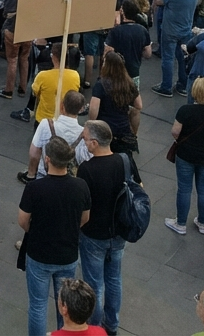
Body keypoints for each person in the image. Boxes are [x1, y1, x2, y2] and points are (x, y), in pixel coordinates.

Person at [18, 136, 92, 336]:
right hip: (67, 254)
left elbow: (23, 220)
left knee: (38, 305)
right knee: (67, 305)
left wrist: (33, 232)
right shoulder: (81, 186)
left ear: (47, 159)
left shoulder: (34, 188)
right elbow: (85, 218)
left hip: (39, 254)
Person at [76, 120, 129, 334]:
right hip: (119, 231)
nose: (84, 142)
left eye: (86, 139)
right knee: (114, 279)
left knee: (94, 283)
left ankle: (95, 327)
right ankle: (112, 325)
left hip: (93, 233)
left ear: (95, 143)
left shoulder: (86, 169)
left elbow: (83, 206)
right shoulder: (124, 161)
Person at [166, 78, 204, 236]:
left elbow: (175, 131)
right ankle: (203, 223)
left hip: (186, 155)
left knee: (184, 189)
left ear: (195, 93)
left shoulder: (185, 110)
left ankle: (180, 223)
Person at [154, 0, 197, 96]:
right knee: (183, 58)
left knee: (168, 58)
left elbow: (158, 2)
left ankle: (166, 86)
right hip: (186, 30)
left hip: (170, 30)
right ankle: (182, 86)